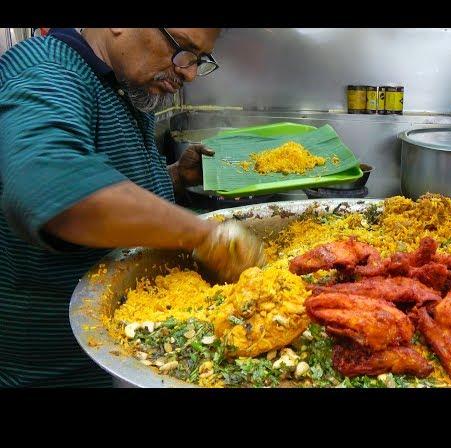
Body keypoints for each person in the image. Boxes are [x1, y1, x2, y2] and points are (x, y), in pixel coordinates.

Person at [0, 28, 264, 387]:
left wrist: (174, 177)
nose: (189, 73)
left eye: (200, 60)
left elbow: (112, 181)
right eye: (182, 49)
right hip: (67, 371)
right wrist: (209, 236)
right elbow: (52, 181)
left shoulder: (125, 83)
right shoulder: (46, 70)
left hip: (133, 348)